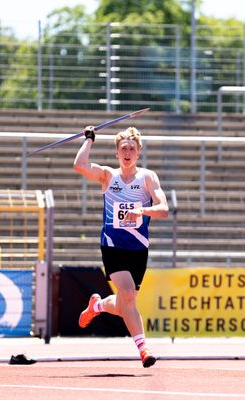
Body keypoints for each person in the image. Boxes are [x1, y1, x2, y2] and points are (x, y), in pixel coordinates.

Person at [73, 125, 169, 368]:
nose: (127, 152)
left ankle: (97, 305)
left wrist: (143, 210)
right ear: (117, 152)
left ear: (139, 152)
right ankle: (143, 349)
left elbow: (164, 209)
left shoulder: (148, 178)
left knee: (125, 303)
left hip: (138, 249)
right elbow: (80, 165)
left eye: (132, 149)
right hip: (112, 245)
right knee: (127, 296)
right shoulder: (108, 176)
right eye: (123, 148)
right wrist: (89, 140)